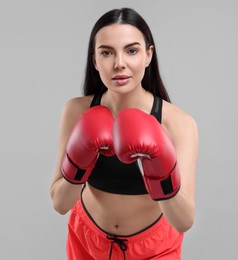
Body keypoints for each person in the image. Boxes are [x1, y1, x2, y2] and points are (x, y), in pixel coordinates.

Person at [49, 7, 198, 260]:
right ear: (95, 60)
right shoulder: (77, 111)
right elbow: (60, 204)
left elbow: (183, 221)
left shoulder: (178, 124)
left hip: (154, 248)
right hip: (86, 241)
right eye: (106, 52)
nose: (119, 63)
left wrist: (161, 172)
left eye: (131, 50)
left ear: (148, 55)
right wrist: (78, 162)